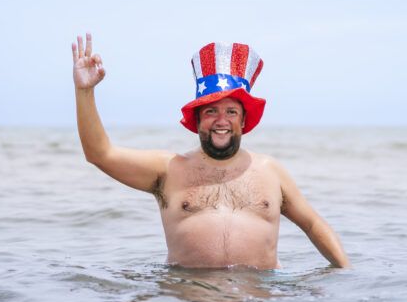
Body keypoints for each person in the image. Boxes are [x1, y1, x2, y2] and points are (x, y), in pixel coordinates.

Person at [72, 33, 350, 269]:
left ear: (243, 120)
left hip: (259, 298)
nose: (221, 120)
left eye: (231, 111)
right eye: (211, 111)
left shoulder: (270, 171)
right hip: (188, 298)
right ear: (197, 119)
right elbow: (99, 153)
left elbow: (313, 225)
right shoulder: (168, 169)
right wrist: (85, 91)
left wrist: (347, 275)